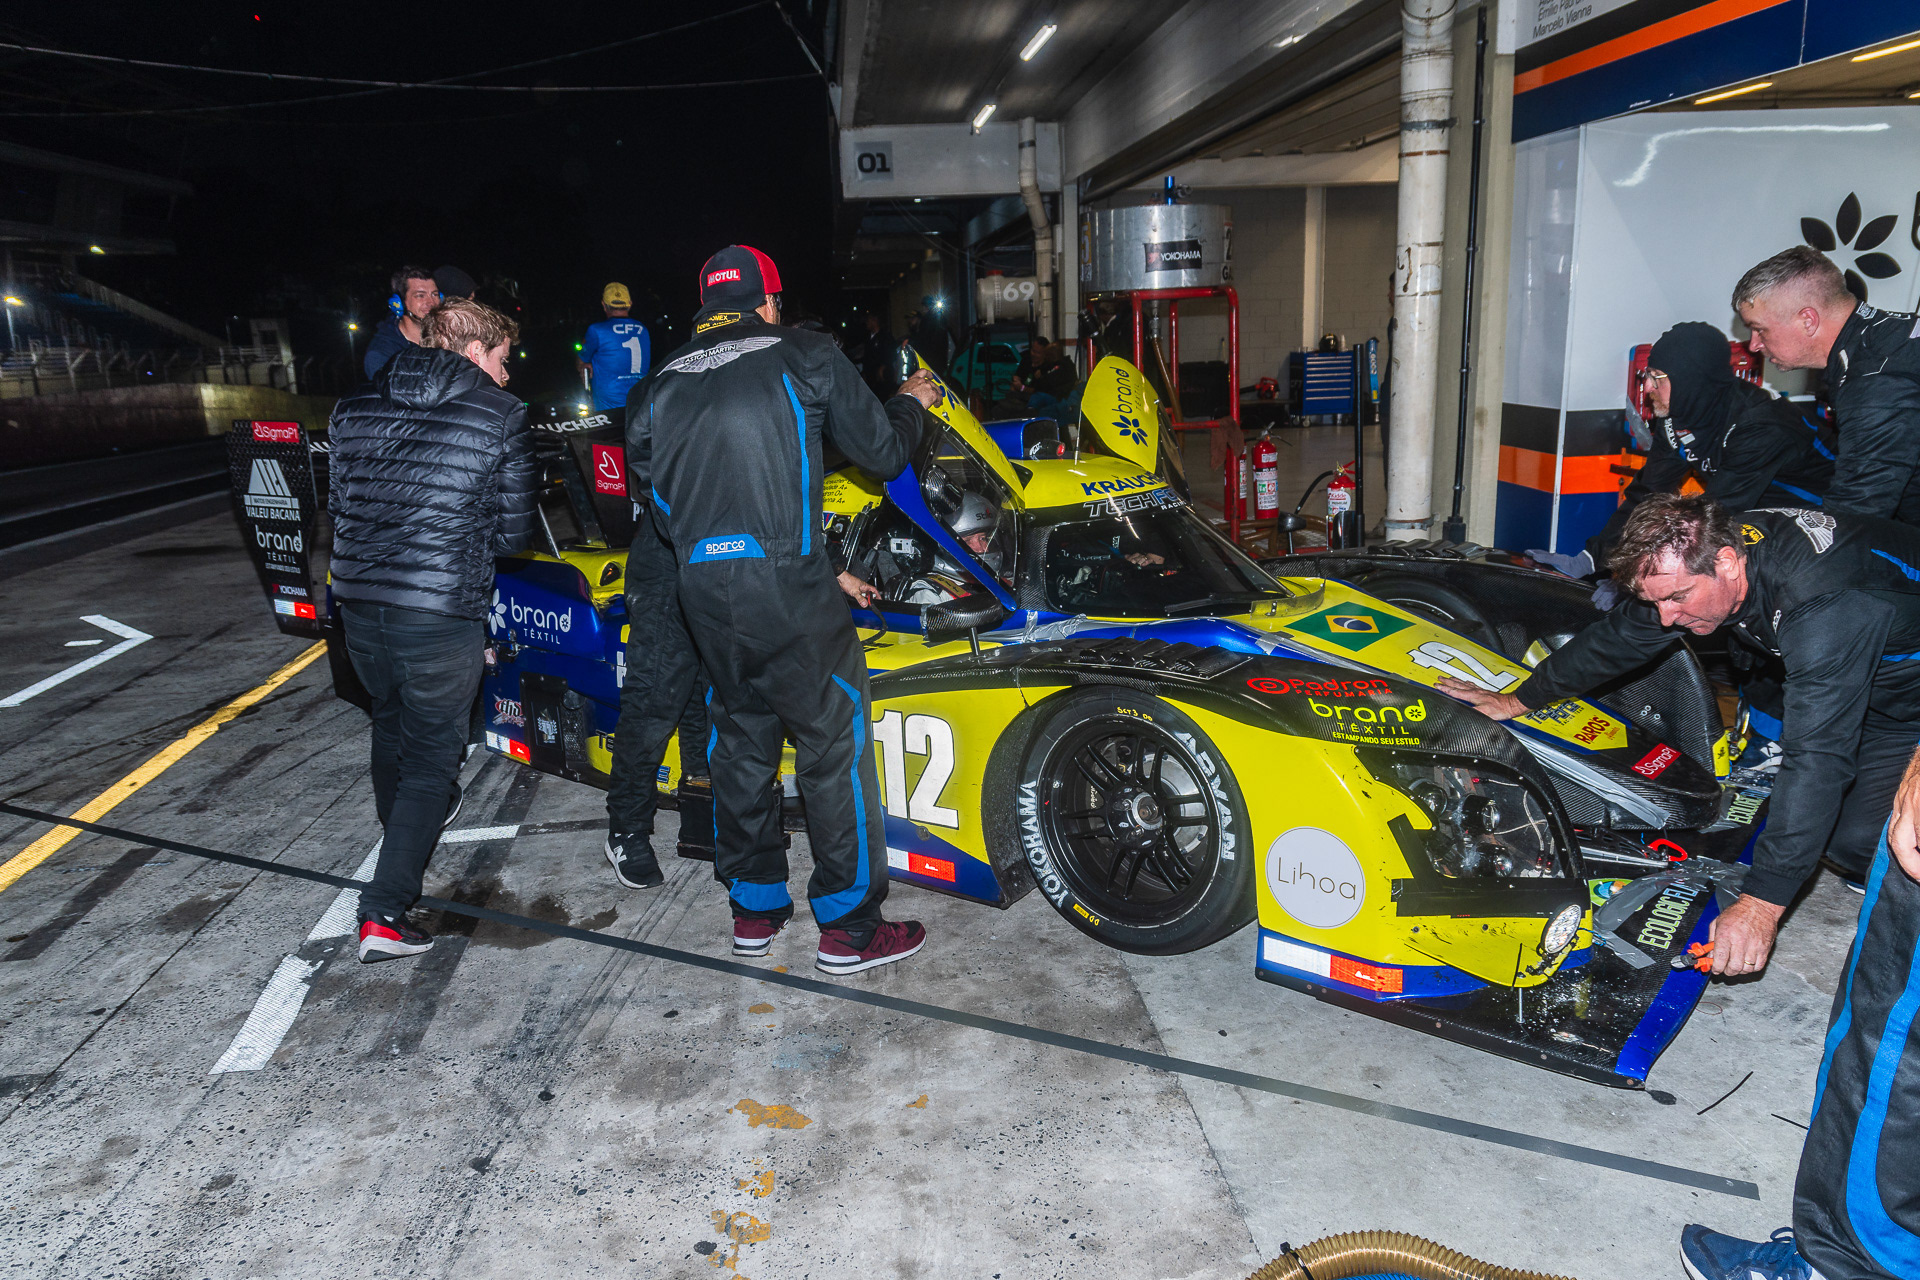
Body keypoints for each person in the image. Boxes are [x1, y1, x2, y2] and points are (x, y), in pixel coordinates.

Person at [630, 243, 938, 974]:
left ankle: (754, 911)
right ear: (768, 301)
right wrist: (910, 405)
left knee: (740, 744)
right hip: (789, 589)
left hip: (704, 590)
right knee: (833, 747)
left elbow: (655, 502)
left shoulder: (658, 384)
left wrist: (715, 550)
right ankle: (849, 929)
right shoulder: (804, 352)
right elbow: (883, 454)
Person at [327, 298, 536, 962]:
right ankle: (384, 912)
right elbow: (513, 534)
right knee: (430, 761)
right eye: (503, 358)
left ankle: (400, 837)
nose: (507, 372)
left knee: (389, 721)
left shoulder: (353, 405)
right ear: (474, 351)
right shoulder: (501, 412)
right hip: (439, 612)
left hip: (360, 605)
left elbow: (339, 506)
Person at [1557, 321, 1836, 574]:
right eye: (1647, 374)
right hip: (1759, 512)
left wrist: (1636, 582)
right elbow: (1647, 494)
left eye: (1657, 376)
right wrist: (1596, 559)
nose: (1648, 387)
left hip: (1822, 518)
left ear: (1690, 379)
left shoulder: (1761, 424)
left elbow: (1713, 517)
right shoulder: (1678, 414)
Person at [1734, 246, 1920, 520]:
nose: (1754, 345)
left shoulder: (1873, 381)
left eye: (1760, 329)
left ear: (1808, 321)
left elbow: (1855, 514)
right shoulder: (1884, 334)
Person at [577, 283, 650, 415]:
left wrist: (584, 364)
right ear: (630, 304)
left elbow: (581, 360)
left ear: (604, 305)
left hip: (609, 406)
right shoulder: (643, 329)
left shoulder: (596, 330)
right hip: (640, 402)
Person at [363, 265, 440, 381]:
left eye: (435, 294)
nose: (431, 302)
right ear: (399, 303)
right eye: (420, 295)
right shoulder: (381, 353)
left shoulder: (447, 336)